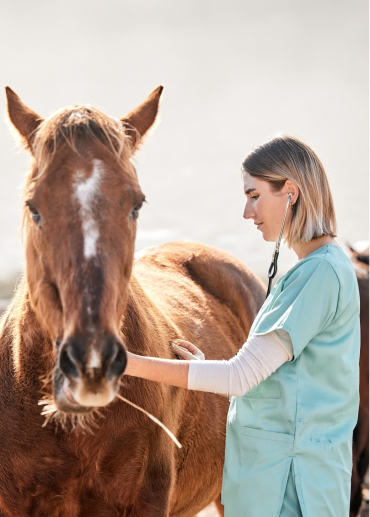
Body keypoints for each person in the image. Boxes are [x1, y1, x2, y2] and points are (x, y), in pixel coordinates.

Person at [124, 135, 360, 517]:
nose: (247, 212)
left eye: (254, 195)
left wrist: (126, 363)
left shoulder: (318, 275)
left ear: (291, 193)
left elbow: (240, 376)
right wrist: (201, 365)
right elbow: (292, 382)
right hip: (288, 479)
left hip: (290, 486)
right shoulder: (320, 269)